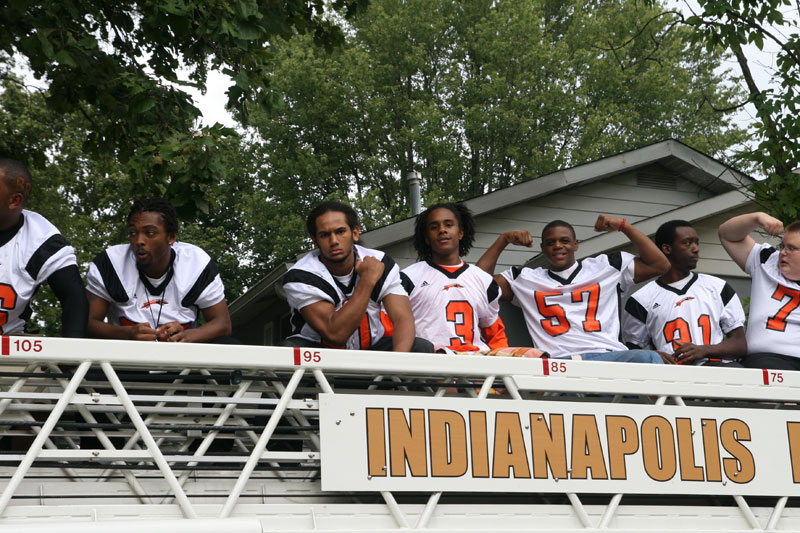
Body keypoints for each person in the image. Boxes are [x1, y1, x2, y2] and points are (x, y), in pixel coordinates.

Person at [477, 215, 670, 362]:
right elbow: (476, 285)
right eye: (551, 243)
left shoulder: (606, 266)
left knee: (651, 359)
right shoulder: (525, 279)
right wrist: (503, 240)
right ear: (543, 249)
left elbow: (660, 264)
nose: (558, 246)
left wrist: (623, 226)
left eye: (565, 241)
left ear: (576, 245)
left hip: (608, 356)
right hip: (558, 361)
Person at [282, 200, 431, 352]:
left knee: (420, 347)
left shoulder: (380, 262)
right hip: (322, 354)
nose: (334, 241)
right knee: (291, 350)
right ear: (314, 241)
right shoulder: (301, 275)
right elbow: (335, 334)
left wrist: (397, 365)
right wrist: (367, 280)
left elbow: (403, 319)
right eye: (325, 235)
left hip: (371, 351)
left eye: (340, 232)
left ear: (355, 233)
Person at [86, 197, 233, 343]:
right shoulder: (110, 264)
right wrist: (128, 333)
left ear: (171, 237)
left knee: (229, 345)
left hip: (180, 360)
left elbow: (223, 323)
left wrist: (188, 335)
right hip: (127, 360)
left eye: (149, 233)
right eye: (133, 233)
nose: (139, 241)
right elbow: (87, 322)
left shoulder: (196, 264)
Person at [622, 220, 746, 366]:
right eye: (687, 243)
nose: (696, 249)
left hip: (717, 372)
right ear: (667, 249)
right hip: (671, 378)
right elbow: (631, 353)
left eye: (696, 243)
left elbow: (740, 344)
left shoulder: (718, 287)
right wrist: (654, 355)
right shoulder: (641, 299)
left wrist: (703, 350)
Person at [400, 203, 511, 352]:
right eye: (434, 227)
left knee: (534, 355)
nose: (442, 230)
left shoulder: (483, 279)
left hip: (476, 363)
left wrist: (503, 364)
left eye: (448, 224)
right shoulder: (408, 277)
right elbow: (391, 326)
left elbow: (494, 333)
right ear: (427, 238)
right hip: (430, 363)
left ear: (461, 233)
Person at [0, 158, 87, 337]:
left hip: (8, 350)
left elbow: (75, 298)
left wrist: (71, 357)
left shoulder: (40, 240)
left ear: (14, 200)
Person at [718, 212, 800, 370]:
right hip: (764, 359)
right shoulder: (767, 260)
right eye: (783, 246)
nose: (783, 252)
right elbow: (727, 234)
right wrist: (756, 218)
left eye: (792, 248)